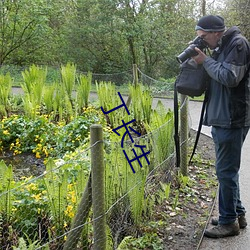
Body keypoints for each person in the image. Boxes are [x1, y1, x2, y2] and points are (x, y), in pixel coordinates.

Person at [192, 15, 250, 238]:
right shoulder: (221, 46)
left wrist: (205, 61)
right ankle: (237, 214)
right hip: (222, 117)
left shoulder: (238, 44)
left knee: (225, 171)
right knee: (227, 171)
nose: (203, 41)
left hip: (232, 118)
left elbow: (229, 77)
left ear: (216, 32)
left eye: (204, 37)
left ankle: (228, 223)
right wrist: (202, 60)